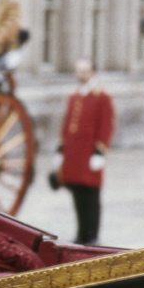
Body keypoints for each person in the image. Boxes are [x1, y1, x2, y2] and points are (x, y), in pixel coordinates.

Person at [54, 58, 115, 245]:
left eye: (85, 71)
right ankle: (81, 233)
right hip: (74, 155)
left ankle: (92, 235)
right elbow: (67, 125)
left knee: (91, 196)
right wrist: (61, 149)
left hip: (90, 154)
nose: (81, 74)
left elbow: (106, 125)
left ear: (93, 73)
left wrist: (100, 151)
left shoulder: (102, 97)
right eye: (79, 71)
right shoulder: (73, 96)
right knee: (77, 194)